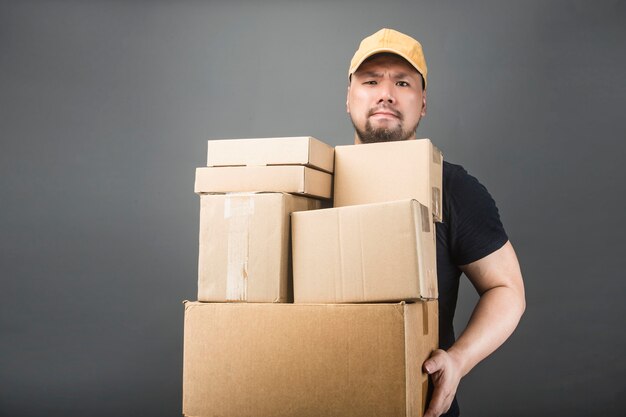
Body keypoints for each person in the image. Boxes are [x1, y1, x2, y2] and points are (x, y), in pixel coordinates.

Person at [345, 28, 526, 417]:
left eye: (403, 82)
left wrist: (459, 360)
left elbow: (507, 288)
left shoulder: (453, 187)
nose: (386, 93)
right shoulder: (311, 184)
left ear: (423, 103)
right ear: (348, 98)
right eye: (371, 80)